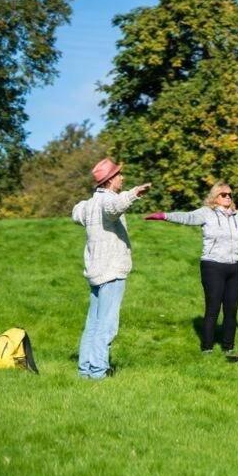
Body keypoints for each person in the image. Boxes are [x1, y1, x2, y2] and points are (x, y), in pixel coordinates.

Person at [145, 181, 238, 354]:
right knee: (213, 307)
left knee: (231, 309)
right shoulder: (206, 213)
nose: (228, 197)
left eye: (230, 194)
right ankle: (207, 347)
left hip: (234, 267)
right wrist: (164, 215)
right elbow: (186, 217)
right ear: (215, 197)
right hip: (212, 266)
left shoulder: (236, 215)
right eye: (224, 194)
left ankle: (228, 347)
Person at [71, 158, 151, 379]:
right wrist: (134, 193)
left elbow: (76, 212)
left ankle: (84, 370)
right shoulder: (107, 201)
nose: (122, 178)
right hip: (111, 271)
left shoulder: (89, 205)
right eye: (119, 175)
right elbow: (114, 207)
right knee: (106, 325)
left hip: (96, 272)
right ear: (109, 181)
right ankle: (98, 371)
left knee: (93, 324)